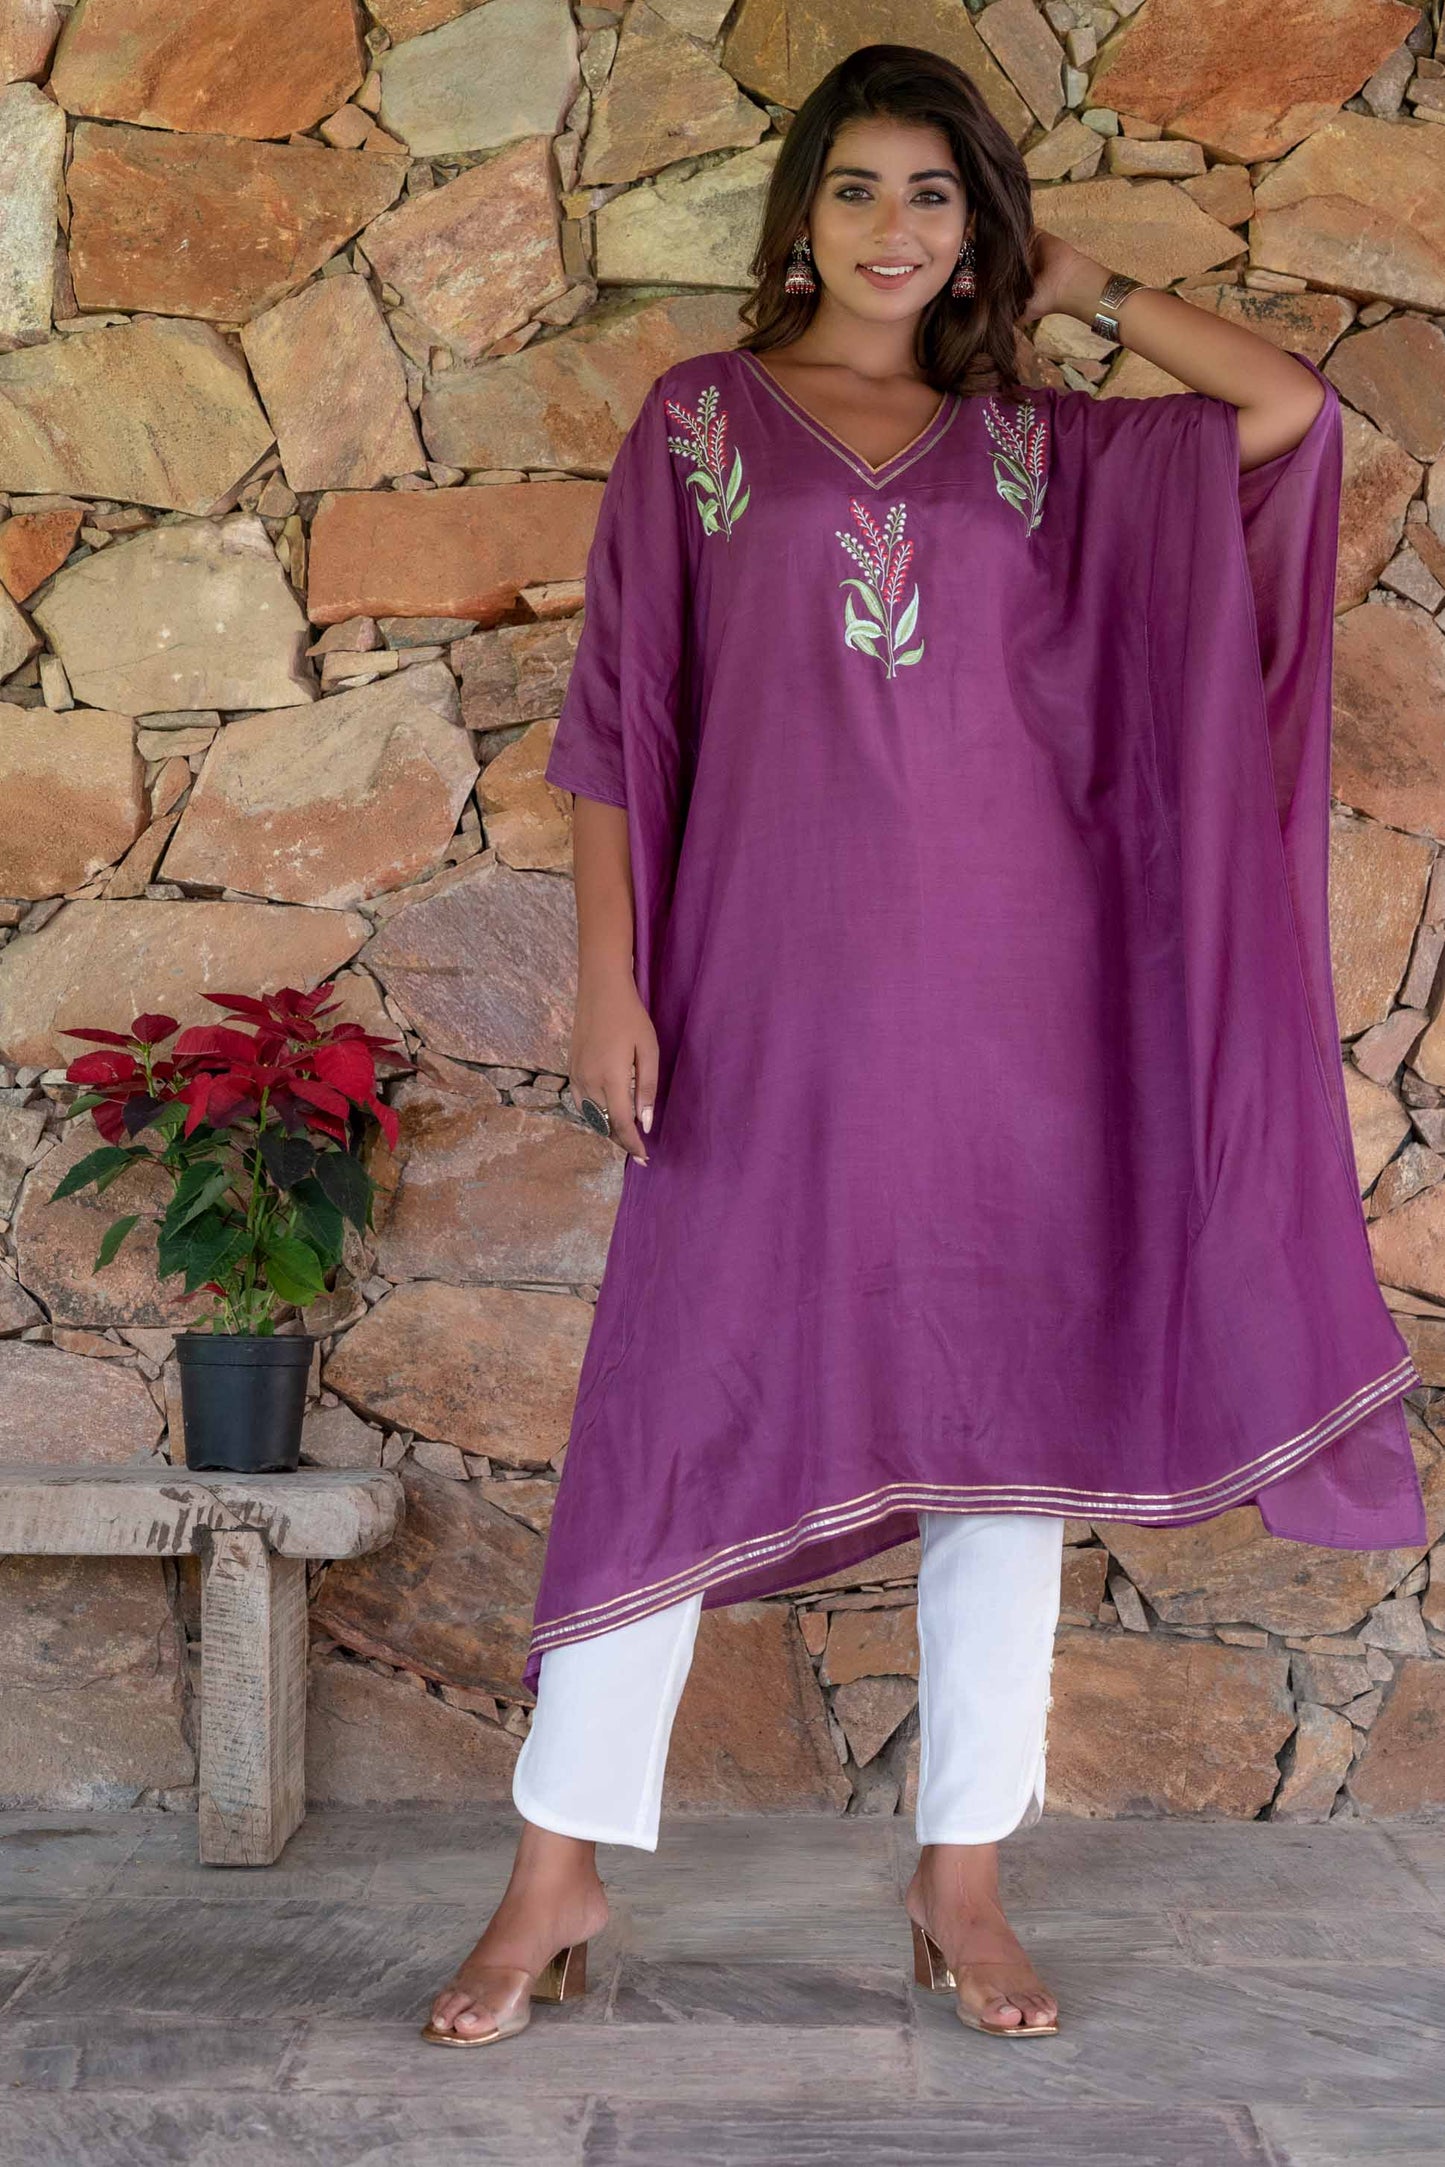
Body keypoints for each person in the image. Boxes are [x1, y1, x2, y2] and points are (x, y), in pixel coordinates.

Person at [425, 44, 1426, 2047]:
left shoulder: (1039, 448)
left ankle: (960, 1875)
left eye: (935, 195)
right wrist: (616, 981)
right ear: (800, 215)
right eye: (861, 188)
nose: (894, 228)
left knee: (1004, 1424)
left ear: (982, 230)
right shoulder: (703, 422)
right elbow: (622, 720)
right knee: (671, 1396)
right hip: (764, 993)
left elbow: (1284, 417)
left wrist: (1085, 287)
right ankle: (555, 1864)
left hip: (1016, 1008)